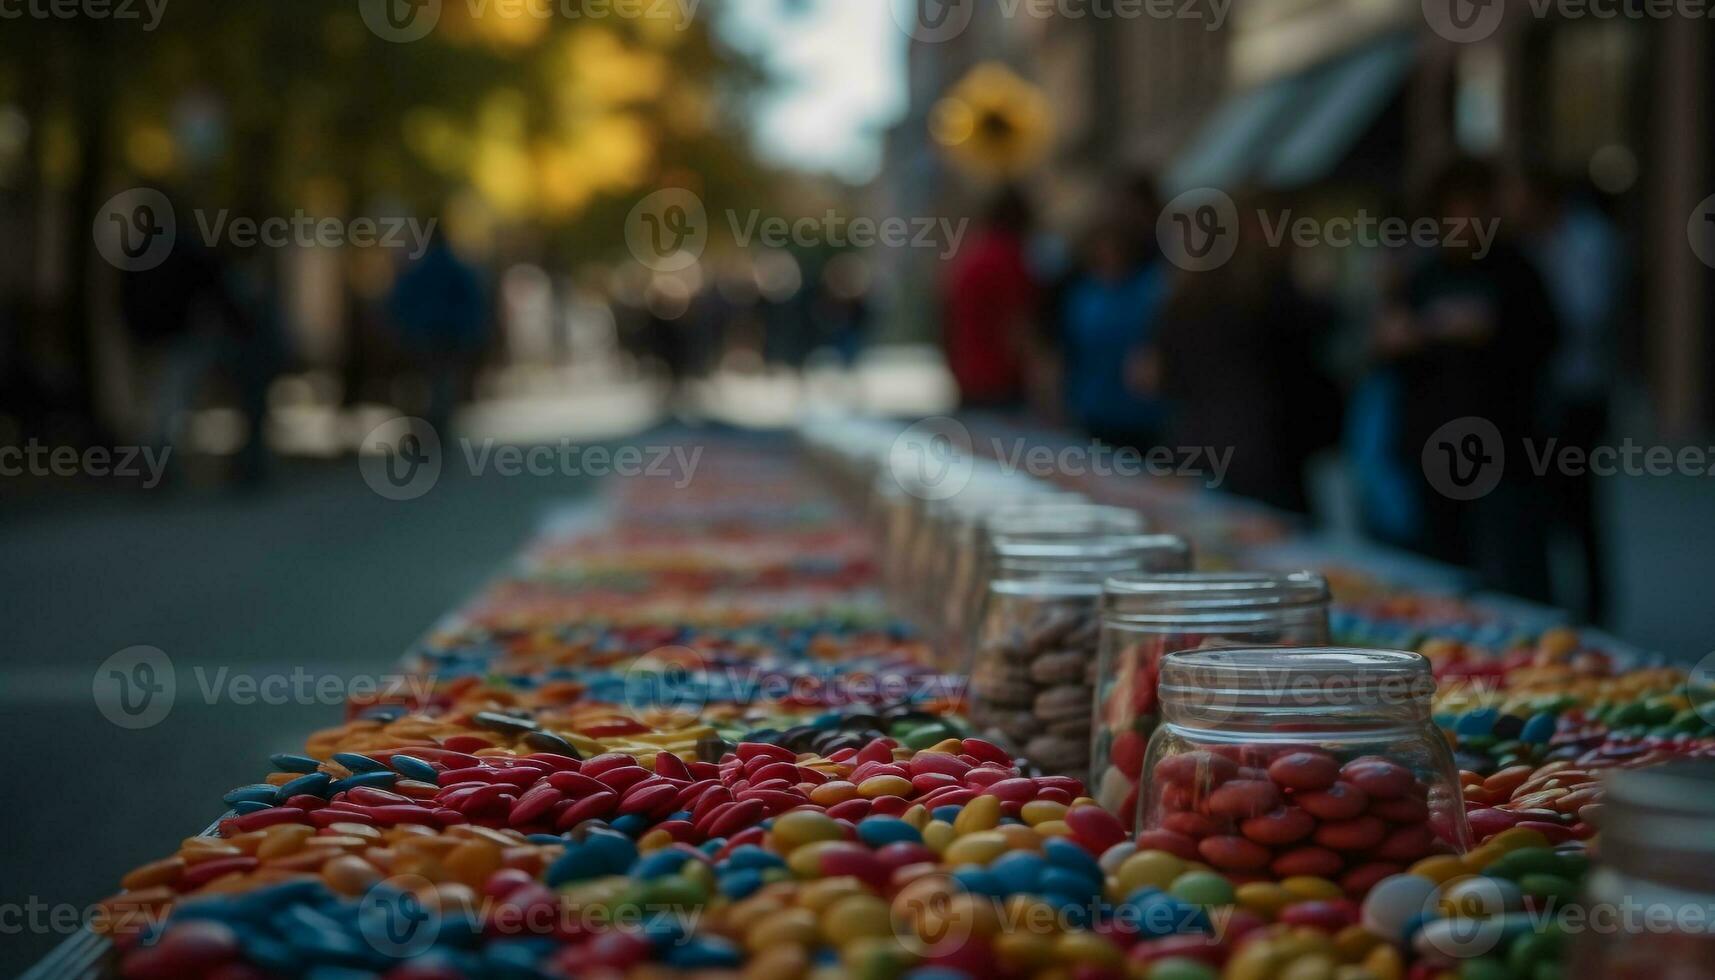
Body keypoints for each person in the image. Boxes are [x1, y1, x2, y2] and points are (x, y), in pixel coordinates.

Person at [1375, 158, 1559, 600]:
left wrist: (1493, 330)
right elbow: (1390, 357)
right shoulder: (1424, 276)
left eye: (1474, 209)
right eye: (1454, 211)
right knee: (1441, 580)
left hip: (1503, 452)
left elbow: (1549, 341)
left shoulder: (1516, 270)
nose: (1465, 221)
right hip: (1433, 454)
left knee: (1514, 578)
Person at [1152, 195, 1335, 513]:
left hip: (1202, 442)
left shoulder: (1180, 303)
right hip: (1261, 446)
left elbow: (1162, 378)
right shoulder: (1257, 292)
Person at [1504, 167, 1623, 624]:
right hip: (1541, 391)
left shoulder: (1588, 239)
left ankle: (1595, 606)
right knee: (1545, 500)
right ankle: (1555, 600)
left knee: (1580, 501)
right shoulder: (1530, 243)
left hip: (1578, 389)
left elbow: (1588, 311)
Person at [1057, 219, 1168, 450]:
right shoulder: (1084, 293)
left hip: (1142, 413)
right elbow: (1069, 347)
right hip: (1092, 406)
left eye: (1115, 246)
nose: (1108, 253)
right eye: (1102, 246)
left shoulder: (1152, 288)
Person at [941, 187, 1037, 411]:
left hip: (968, 375)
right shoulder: (1009, 258)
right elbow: (1017, 326)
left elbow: (947, 317)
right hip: (1001, 381)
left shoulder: (969, 255)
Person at [387, 229, 488, 438]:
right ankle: (439, 424)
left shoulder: (417, 268)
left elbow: (399, 301)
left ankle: (425, 425)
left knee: (424, 381)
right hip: (451, 334)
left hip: (422, 334)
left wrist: (403, 328)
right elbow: (473, 302)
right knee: (444, 381)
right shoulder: (457, 268)